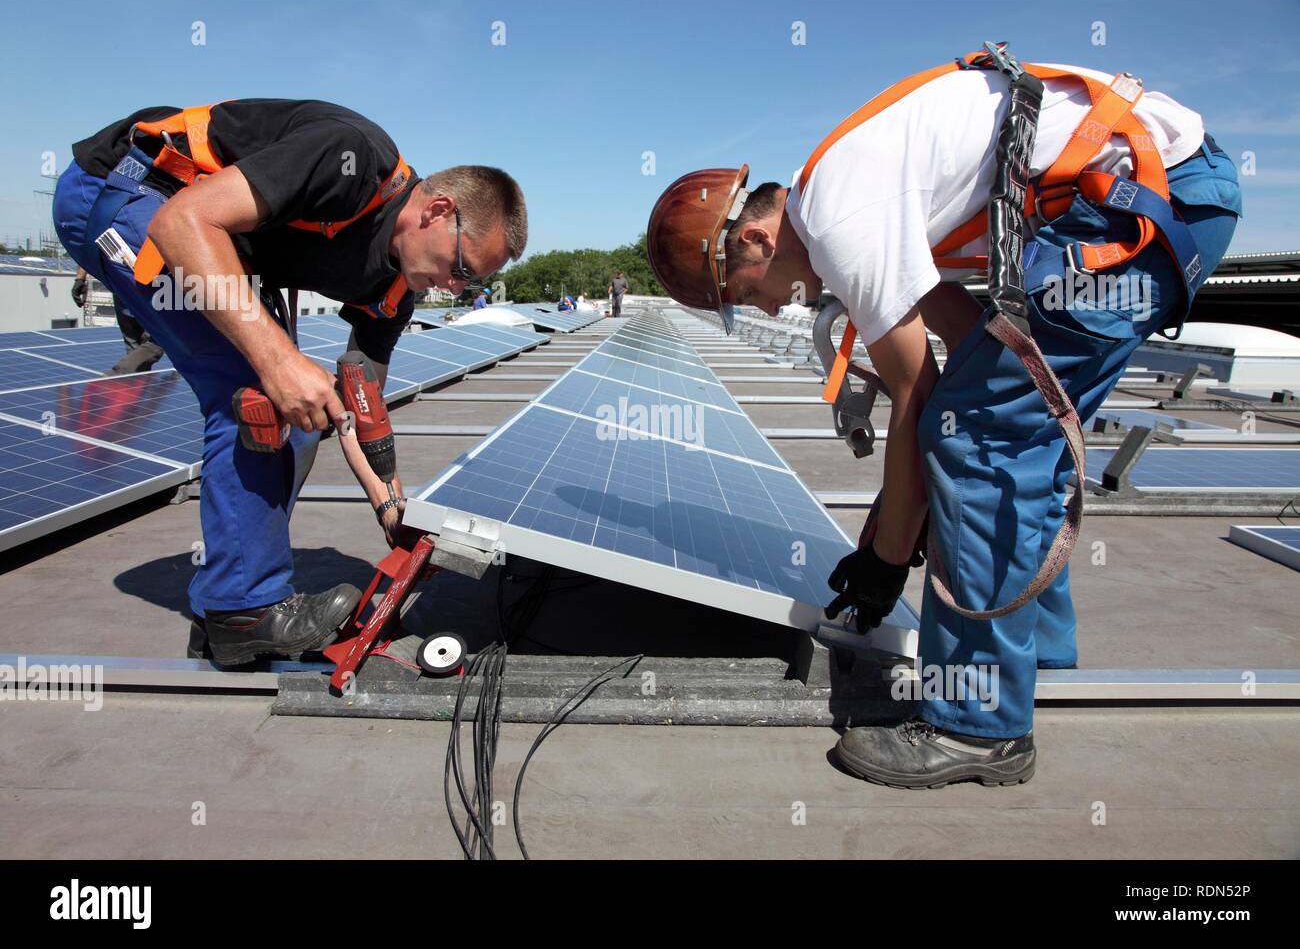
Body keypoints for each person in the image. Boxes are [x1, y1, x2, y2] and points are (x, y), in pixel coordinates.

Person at [645, 46, 1239, 788]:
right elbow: (961, 342)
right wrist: (901, 521)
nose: (763, 308)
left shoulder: (841, 219)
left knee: (982, 442)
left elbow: (921, 400)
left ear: (757, 240)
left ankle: (979, 728)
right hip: (1169, 194)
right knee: (1018, 438)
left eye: (740, 293)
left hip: (1141, 203)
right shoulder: (857, 201)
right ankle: (1033, 651)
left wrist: (886, 559)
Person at [53, 100, 527, 666]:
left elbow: (357, 410)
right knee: (259, 393)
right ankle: (241, 611)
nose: (454, 288)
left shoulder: (396, 291)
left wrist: (392, 507)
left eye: (470, 284)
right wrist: (279, 363)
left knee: (301, 416)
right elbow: (182, 222)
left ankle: (224, 608)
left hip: (195, 228)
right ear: (438, 210)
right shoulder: (349, 159)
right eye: (463, 268)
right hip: (131, 193)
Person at [71, 266, 165, 374]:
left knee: (133, 346)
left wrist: (80, 279)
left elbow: (86, 249)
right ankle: (117, 374)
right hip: (150, 283)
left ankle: (133, 382)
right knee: (159, 340)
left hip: (120, 283)